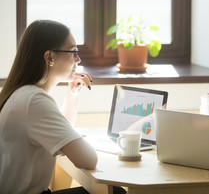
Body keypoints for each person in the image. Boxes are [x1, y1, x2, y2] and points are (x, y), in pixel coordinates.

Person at [0, 20, 125, 194]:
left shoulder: (23, 94)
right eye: (73, 52)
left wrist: (72, 95)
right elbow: (88, 159)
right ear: (50, 57)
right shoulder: (34, 100)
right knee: (115, 191)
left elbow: (61, 136)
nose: (78, 59)